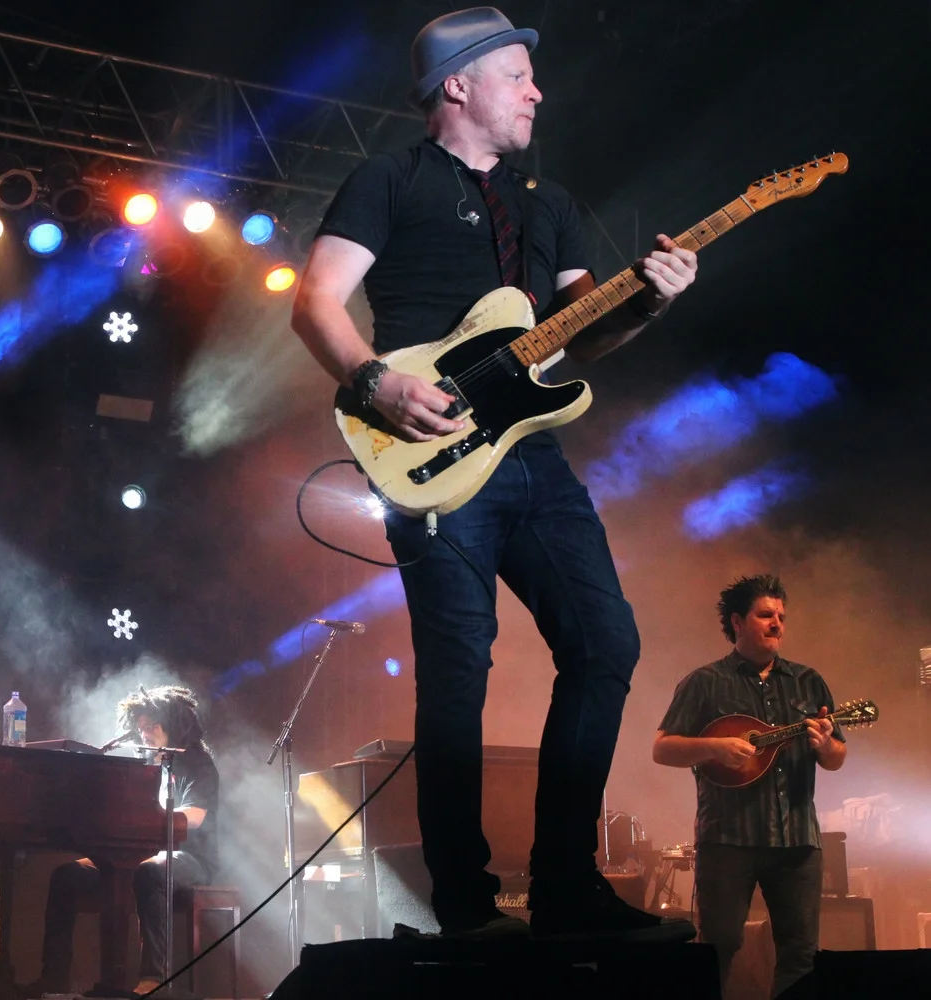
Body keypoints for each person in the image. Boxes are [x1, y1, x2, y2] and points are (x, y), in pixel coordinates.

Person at [290, 6, 699, 939]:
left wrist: (651, 303)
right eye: (520, 75)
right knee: (457, 676)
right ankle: (466, 903)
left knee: (606, 644)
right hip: (429, 454)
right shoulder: (388, 179)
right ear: (459, 84)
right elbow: (316, 303)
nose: (537, 91)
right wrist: (378, 383)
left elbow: (586, 337)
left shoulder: (546, 204)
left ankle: (564, 885)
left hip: (531, 456)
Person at [654, 575, 845, 995]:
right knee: (718, 948)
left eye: (781, 616)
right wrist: (714, 748)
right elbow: (663, 749)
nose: (777, 623)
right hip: (728, 838)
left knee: (801, 954)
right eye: (765, 615)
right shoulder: (704, 682)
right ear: (737, 622)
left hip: (797, 841)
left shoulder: (808, 681)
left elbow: (835, 759)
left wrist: (827, 743)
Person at [26, 685, 220, 996]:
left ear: (173, 723)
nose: (145, 734)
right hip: (137, 853)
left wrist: (140, 821)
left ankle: (154, 979)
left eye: (152, 726)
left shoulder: (196, 762)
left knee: (150, 871)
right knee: (67, 876)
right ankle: (54, 979)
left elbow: (194, 817)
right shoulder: (146, 764)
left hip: (191, 858)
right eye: (141, 728)